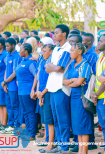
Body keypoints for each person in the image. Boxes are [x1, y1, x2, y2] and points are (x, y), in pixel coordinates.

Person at [45, 24, 72, 153]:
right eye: (54, 33)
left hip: (61, 88)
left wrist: (52, 65)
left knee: (63, 118)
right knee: (56, 119)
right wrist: (52, 66)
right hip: (52, 87)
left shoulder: (68, 49)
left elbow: (59, 68)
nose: (54, 35)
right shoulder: (56, 49)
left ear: (64, 34)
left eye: (56, 33)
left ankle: (65, 146)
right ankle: (60, 144)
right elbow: (46, 68)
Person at [63, 43, 92, 154]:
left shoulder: (85, 64)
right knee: (77, 125)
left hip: (82, 97)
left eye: (72, 50)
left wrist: (73, 82)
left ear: (79, 51)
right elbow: (64, 81)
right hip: (74, 98)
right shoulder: (72, 64)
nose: (70, 52)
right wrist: (73, 81)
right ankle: (80, 150)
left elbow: (79, 82)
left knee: (83, 124)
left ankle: (83, 151)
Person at [35, 44, 55, 152]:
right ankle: (47, 139)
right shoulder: (42, 61)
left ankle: (50, 144)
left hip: (47, 92)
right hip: (41, 92)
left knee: (49, 119)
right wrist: (38, 91)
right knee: (45, 118)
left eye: (45, 51)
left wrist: (42, 93)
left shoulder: (50, 63)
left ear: (51, 51)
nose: (43, 53)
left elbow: (50, 80)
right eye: (42, 51)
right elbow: (39, 77)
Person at [15, 43, 37, 140]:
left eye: (21, 50)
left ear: (26, 51)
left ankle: (32, 133)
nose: (19, 51)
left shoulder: (31, 62)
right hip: (21, 90)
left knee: (30, 112)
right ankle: (28, 131)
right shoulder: (22, 61)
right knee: (25, 112)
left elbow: (36, 75)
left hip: (28, 91)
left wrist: (33, 89)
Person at [1, 38, 22, 134]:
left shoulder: (16, 56)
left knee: (15, 106)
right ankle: (10, 124)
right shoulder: (8, 56)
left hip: (14, 86)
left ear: (13, 45)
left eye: (8, 46)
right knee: (9, 105)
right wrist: (5, 83)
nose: (6, 48)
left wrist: (5, 81)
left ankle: (16, 125)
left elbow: (14, 73)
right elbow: (6, 70)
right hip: (8, 85)